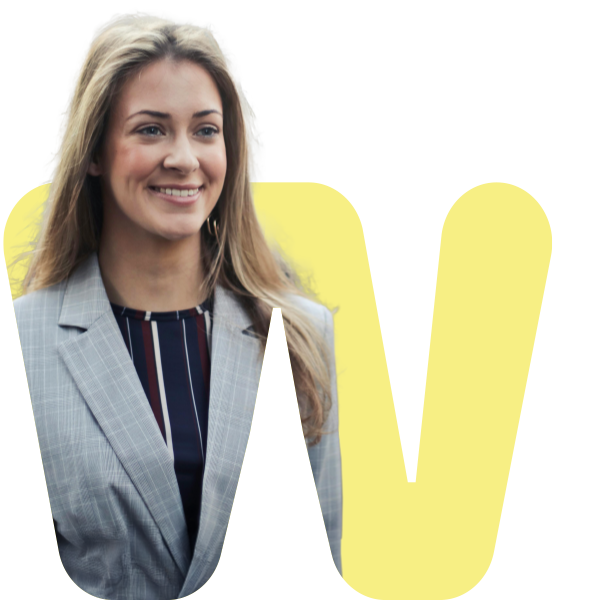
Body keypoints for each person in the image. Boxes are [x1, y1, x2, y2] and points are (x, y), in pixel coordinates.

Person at [11, 9, 342, 600]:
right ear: (94, 152)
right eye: (150, 130)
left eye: (206, 130)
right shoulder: (22, 341)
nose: (184, 158)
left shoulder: (298, 332)